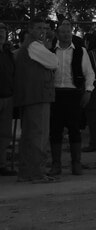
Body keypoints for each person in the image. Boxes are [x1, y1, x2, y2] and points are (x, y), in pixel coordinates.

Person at [13, 18, 59, 183]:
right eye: (39, 27)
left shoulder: (31, 46)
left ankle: (29, 172)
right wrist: (48, 47)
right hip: (37, 96)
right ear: (31, 29)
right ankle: (35, 172)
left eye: (45, 28)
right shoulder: (34, 46)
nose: (43, 31)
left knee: (31, 135)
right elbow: (54, 62)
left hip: (34, 95)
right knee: (37, 136)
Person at [48, 20, 95, 176]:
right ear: (57, 34)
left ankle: (76, 163)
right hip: (55, 95)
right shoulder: (50, 51)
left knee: (74, 129)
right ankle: (56, 164)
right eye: (62, 32)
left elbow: (90, 73)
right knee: (55, 130)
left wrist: (88, 91)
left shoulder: (81, 51)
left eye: (68, 32)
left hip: (73, 94)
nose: (66, 35)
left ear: (72, 34)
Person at [82, 33, 96, 152]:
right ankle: (95, 142)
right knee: (93, 115)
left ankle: (94, 143)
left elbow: (94, 71)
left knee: (92, 116)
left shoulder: (92, 54)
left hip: (93, 86)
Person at [0, 22, 16, 176]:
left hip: (8, 97)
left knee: (4, 134)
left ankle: (2, 164)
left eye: (3, 33)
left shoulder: (8, 54)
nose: (1, 36)